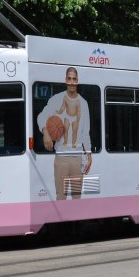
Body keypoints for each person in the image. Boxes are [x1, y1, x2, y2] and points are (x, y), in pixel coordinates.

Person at [36, 67, 92, 200]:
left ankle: (75, 221)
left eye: (74, 79)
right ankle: (63, 221)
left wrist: (89, 154)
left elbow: (86, 132)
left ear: (77, 81)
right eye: (69, 78)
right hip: (61, 157)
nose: (72, 82)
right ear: (65, 80)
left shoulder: (83, 103)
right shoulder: (57, 99)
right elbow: (41, 116)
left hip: (78, 158)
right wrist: (46, 133)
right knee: (61, 196)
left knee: (77, 198)